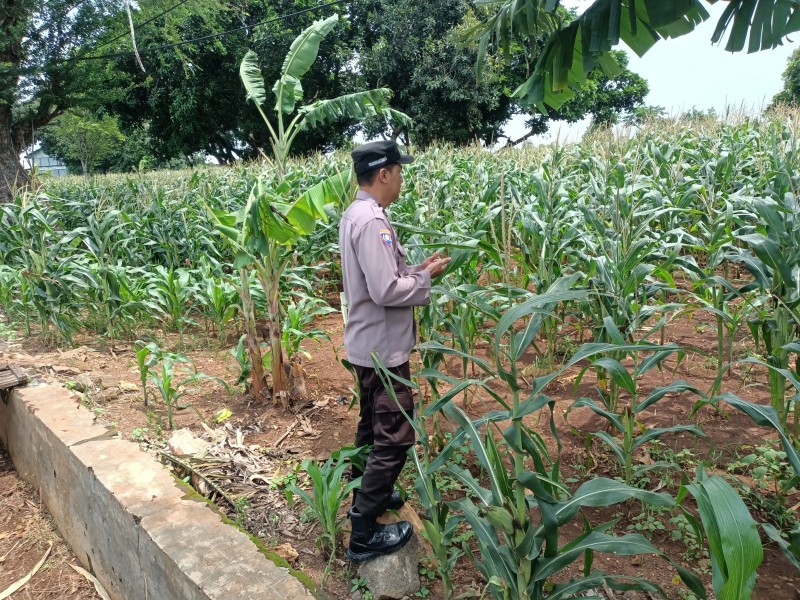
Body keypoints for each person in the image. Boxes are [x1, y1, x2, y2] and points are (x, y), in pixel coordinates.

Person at [339, 140, 450, 562]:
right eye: (399, 171)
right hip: (384, 350)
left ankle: (367, 492)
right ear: (383, 173)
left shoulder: (358, 213)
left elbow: (381, 276)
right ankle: (364, 529)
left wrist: (420, 270)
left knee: (371, 426)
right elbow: (385, 290)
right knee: (396, 434)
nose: (402, 178)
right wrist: (425, 282)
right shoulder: (372, 222)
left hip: (368, 343)